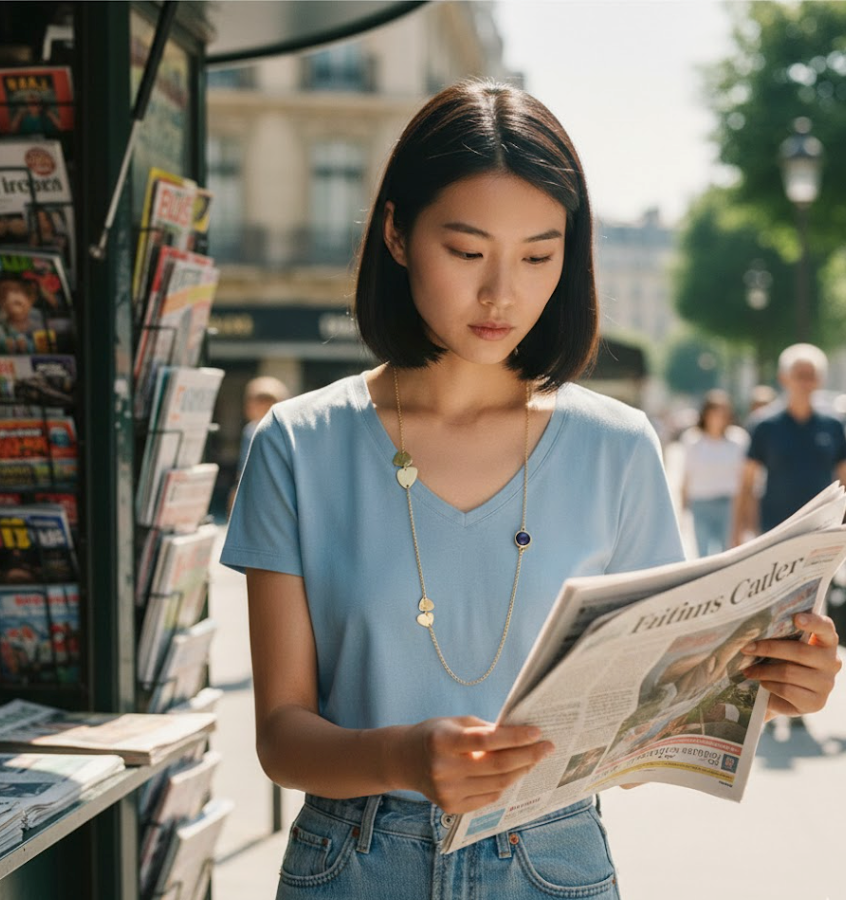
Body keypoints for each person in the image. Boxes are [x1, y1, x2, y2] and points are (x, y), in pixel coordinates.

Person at [221, 81, 841, 899]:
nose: (501, 294)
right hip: (353, 861)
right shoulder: (297, 444)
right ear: (398, 234)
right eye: (468, 251)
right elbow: (280, 736)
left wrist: (774, 685)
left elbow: (651, 717)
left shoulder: (616, 446)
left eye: (539, 255)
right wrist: (401, 756)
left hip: (549, 862)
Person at [732, 343, 846, 545]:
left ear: (819, 381)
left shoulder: (833, 425)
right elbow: (747, 483)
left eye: (811, 376)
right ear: (783, 378)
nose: (805, 382)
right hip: (775, 529)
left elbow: (844, 477)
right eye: (799, 375)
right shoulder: (764, 425)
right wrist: (737, 534)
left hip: (822, 530)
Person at [681, 390, 749, 557]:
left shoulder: (738, 439)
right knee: (702, 554)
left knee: (727, 553)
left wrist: (743, 513)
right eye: (715, 411)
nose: (719, 416)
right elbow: (687, 475)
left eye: (724, 411)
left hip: (728, 503)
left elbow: (744, 479)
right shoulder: (693, 440)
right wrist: (682, 507)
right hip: (700, 502)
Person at [227, 375, 290, 516]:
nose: (260, 409)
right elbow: (244, 467)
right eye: (256, 403)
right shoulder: (250, 430)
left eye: (267, 404)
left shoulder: (284, 432)